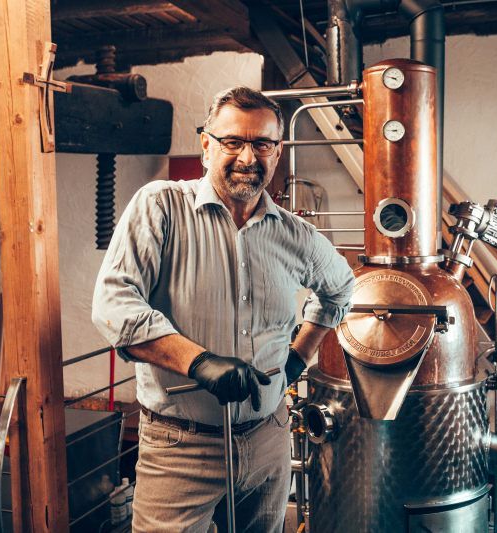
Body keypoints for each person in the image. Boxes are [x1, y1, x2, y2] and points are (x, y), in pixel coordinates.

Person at [92, 86, 354, 533]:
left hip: (268, 439)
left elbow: (341, 289)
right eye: (233, 142)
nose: (248, 158)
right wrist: (198, 362)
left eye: (262, 144)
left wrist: (299, 356)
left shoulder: (295, 235)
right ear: (206, 145)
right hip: (182, 448)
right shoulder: (162, 206)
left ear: (277, 151)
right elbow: (113, 302)